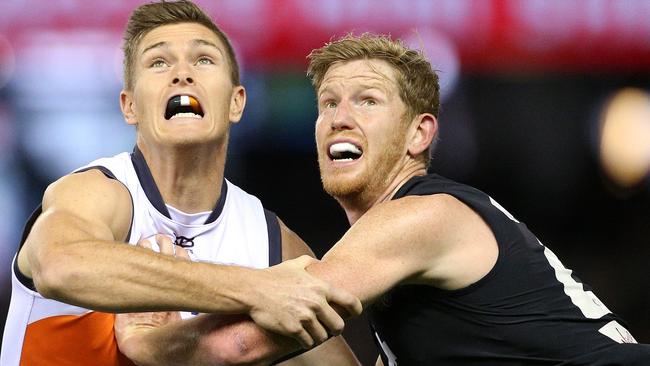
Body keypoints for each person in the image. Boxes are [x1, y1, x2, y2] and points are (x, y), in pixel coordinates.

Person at [114, 32, 650, 365]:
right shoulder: (399, 279)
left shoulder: (423, 216)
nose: (339, 116)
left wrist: (147, 343)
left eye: (367, 100)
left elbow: (246, 344)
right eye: (328, 103)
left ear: (419, 135)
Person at [0, 1, 363, 365]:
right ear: (130, 107)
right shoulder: (98, 192)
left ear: (237, 103)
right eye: (159, 62)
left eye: (203, 60)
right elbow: (59, 265)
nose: (182, 73)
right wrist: (254, 288)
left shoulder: (272, 245)